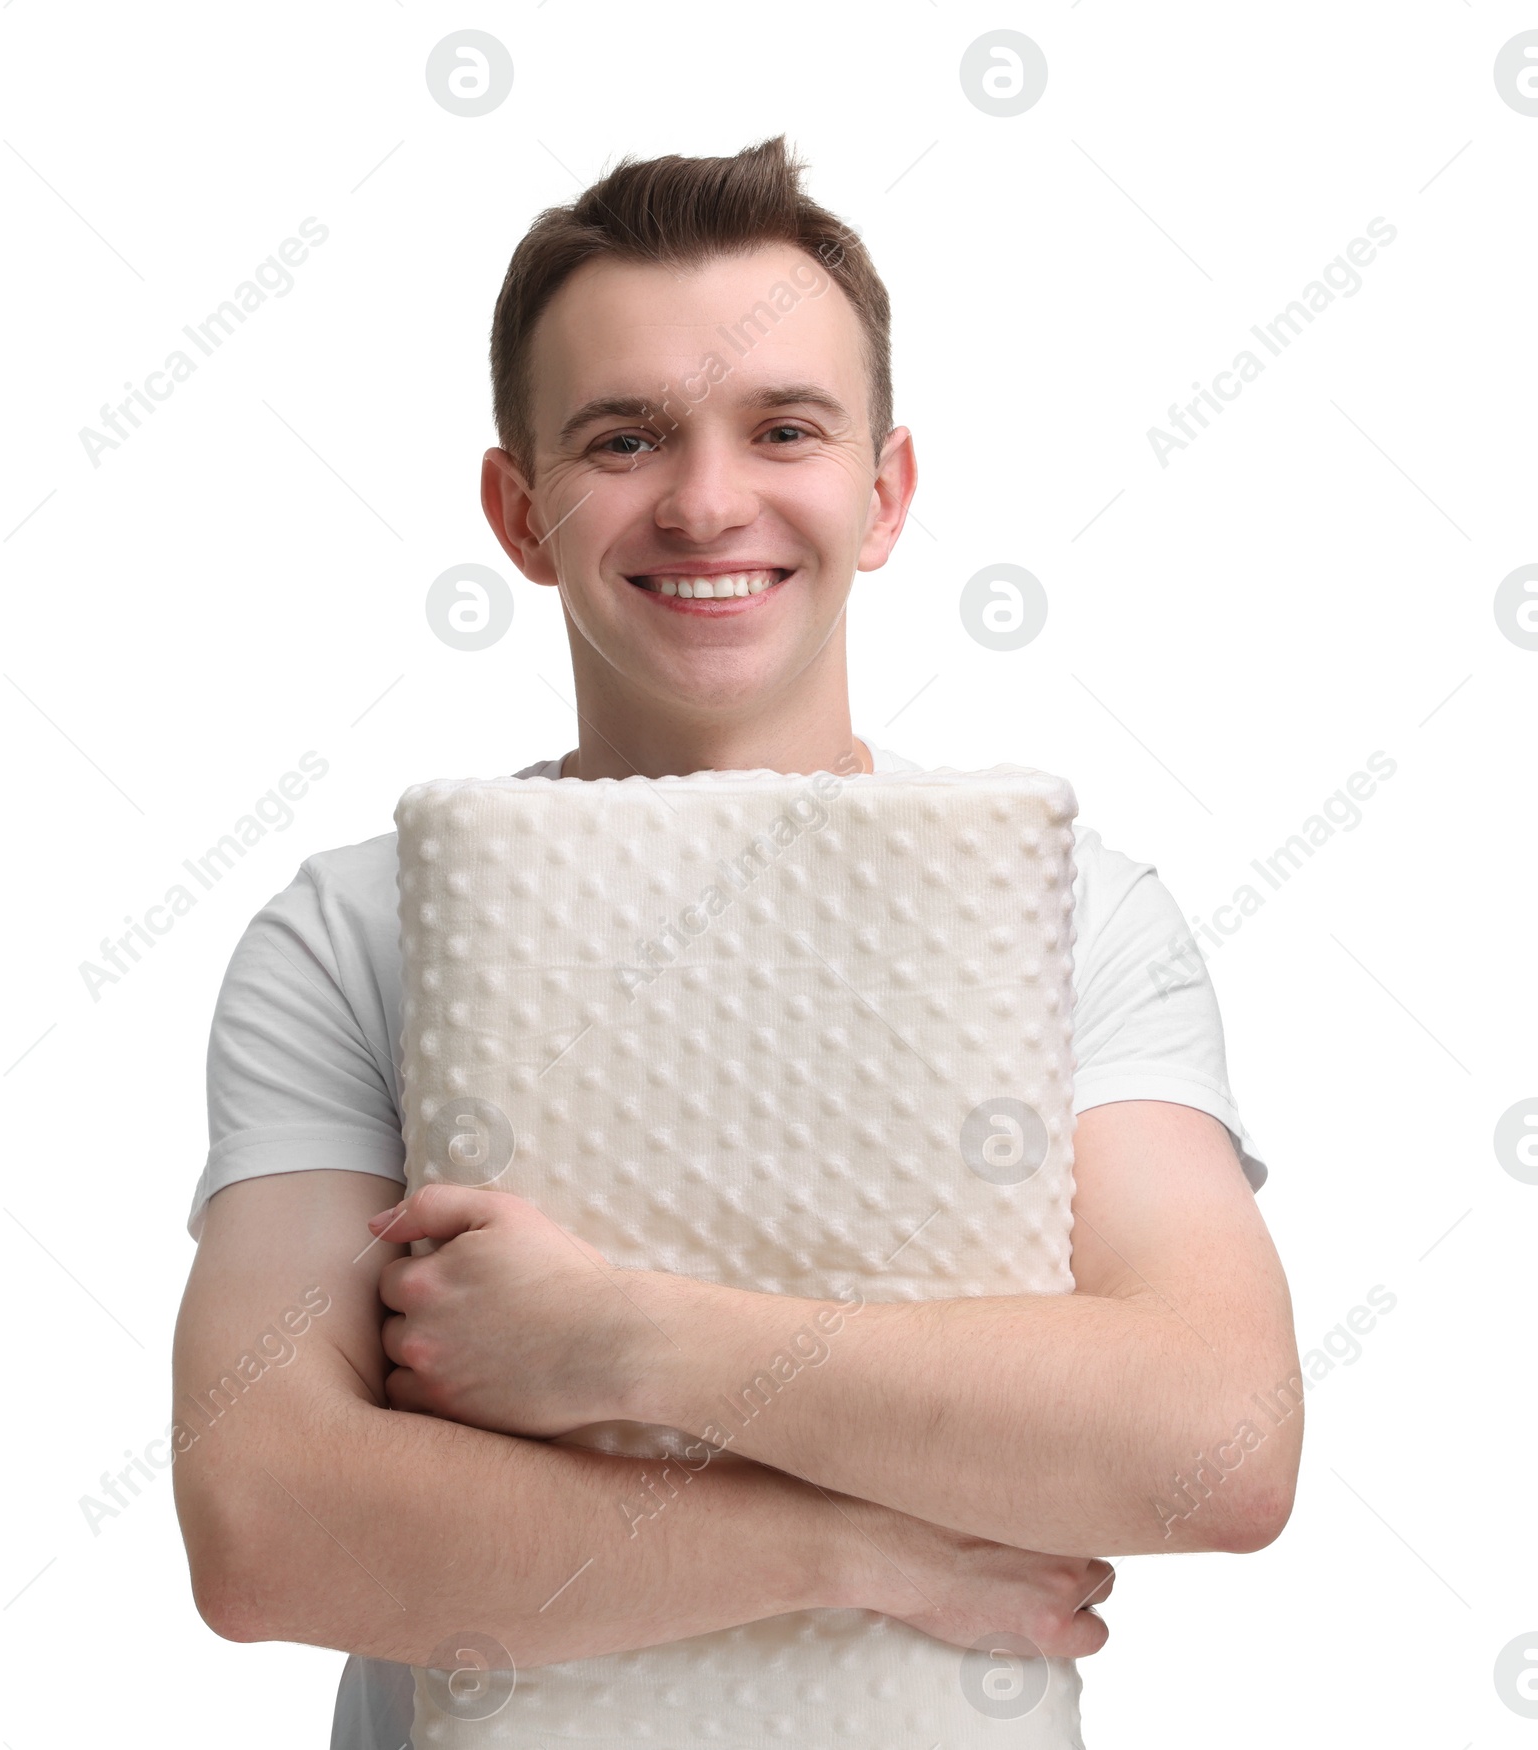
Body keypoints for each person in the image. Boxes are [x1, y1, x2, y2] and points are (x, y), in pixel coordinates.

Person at [172, 135, 1301, 1747]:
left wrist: (620, 1340)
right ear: (519, 510)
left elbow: (1220, 1440)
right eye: (625, 437)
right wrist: (862, 1548)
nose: (708, 501)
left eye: (783, 428)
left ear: (884, 492)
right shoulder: (355, 931)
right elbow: (267, 1524)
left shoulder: (1071, 910)